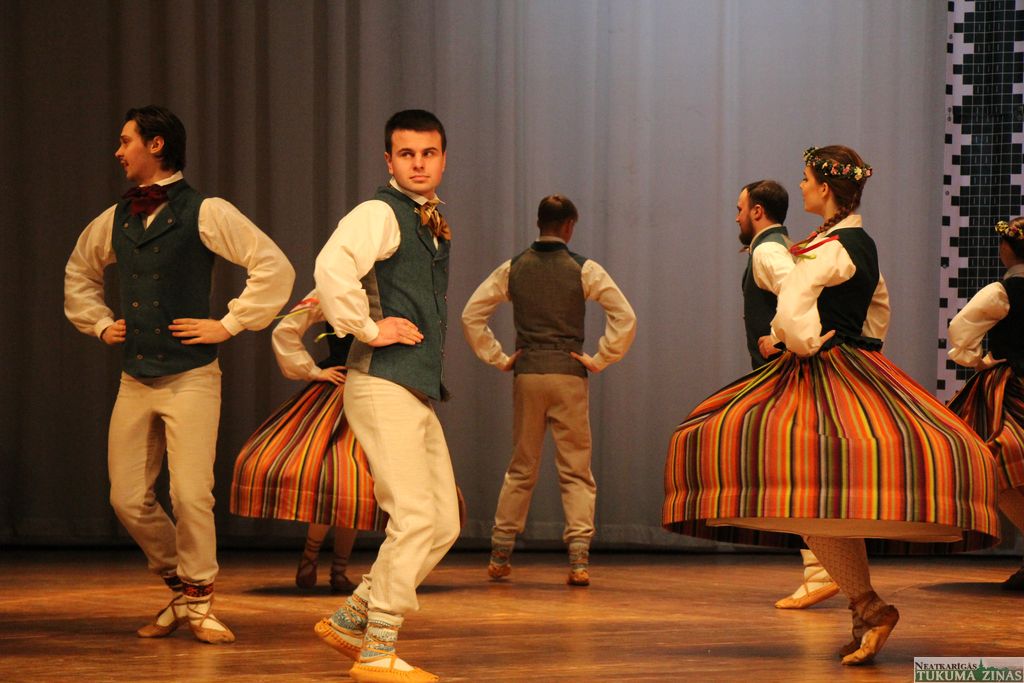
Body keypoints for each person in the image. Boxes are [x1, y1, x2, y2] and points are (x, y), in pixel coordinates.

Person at [662, 145, 1000, 666]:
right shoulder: (857, 242)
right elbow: (878, 306)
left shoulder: (830, 247)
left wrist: (795, 341)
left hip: (822, 366)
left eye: (805, 179)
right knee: (823, 497)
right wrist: (862, 343)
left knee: (745, 446)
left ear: (824, 188)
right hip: (857, 362)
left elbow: (794, 305)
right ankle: (866, 609)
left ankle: (866, 605)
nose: (800, 187)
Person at [64, 105, 295, 644]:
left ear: (157, 145)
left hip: (191, 377)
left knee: (191, 495)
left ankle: (200, 599)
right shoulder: (116, 217)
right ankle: (182, 587)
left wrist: (229, 324)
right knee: (127, 498)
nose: (119, 151)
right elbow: (79, 271)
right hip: (136, 377)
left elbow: (272, 265)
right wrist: (100, 323)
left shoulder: (205, 210)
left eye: (126, 141)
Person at [311, 110, 458, 683]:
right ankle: (377, 650)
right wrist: (368, 329)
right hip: (381, 381)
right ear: (389, 161)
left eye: (428, 153)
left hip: (412, 387)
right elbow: (332, 266)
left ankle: (352, 619)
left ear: (442, 159)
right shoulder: (380, 212)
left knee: (441, 522)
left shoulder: (427, 219)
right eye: (406, 154)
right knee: (415, 516)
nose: (418, 164)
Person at [461, 194, 636, 586]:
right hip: (569, 375)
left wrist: (498, 357)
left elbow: (472, 314)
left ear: (539, 222)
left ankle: (500, 551)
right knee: (575, 468)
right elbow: (624, 315)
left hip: (528, 374)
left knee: (522, 465)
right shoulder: (583, 268)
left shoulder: (513, 267)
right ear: (569, 226)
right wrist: (601, 357)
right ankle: (578, 559)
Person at [229, 292, 385, 594]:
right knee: (333, 482)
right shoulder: (334, 290)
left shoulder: (389, 291)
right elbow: (286, 328)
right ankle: (311, 557)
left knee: (359, 488)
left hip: (375, 394)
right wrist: (313, 371)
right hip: (338, 393)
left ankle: (339, 569)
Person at [736, 179, 839, 609]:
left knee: (796, 472)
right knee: (797, 471)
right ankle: (822, 568)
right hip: (787, 372)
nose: (737, 218)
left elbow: (799, 295)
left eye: (740, 209)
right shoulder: (781, 246)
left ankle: (821, 571)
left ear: (758, 211)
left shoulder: (767, 252)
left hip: (783, 374)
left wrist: (778, 338)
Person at [947, 217, 1024, 590]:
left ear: (1007, 249)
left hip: (1009, 389)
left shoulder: (1001, 292)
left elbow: (961, 331)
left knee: (990, 462)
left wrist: (979, 360)